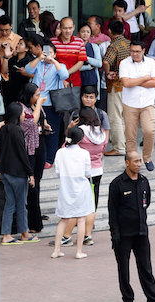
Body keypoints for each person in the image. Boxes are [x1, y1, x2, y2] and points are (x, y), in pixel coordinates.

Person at [109, 151, 155, 302]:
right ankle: (128, 300)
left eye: (140, 161)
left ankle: (153, 301)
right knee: (124, 269)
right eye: (136, 161)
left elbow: (147, 202)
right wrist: (115, 235)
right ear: (127, 163)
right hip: (123, 236)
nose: (139, 164)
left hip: (141, 234)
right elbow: (112, 211)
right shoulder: (117, 184)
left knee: (146, 268)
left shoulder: (144, 181)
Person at [63, 94, 109, 246]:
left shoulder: (80, 132)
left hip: (81, 173)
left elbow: (66, 148)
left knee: (76, 204)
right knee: (91, 204)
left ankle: (66, 237)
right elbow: (103, 149)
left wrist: (70, 129)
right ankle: (88, 236)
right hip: (97, 170)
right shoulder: (100, 132)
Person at [0, 102, 37, 246]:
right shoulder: (17, 130)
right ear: (17, 115)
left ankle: (6, 235)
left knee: (10, 204)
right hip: (17, 173)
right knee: (21, 204)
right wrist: (31, 174)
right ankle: (24, 233)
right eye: (22, 113)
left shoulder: (4, 129)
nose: (24, 115)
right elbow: (22, 154)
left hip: (5, 173)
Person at [24, 36, 69, 166]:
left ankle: (50, 159)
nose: (47, 55)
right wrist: (39, 58)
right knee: (36, 130)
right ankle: (37, 157)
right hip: (36, 102)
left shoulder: (59, 66)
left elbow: (65, 75)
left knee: (52, 131)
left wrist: (53, 61)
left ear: (54, 54)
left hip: (51, 103)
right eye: (46, 52)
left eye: (50, 52)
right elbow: (28, 69)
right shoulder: (38, 63)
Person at [51, 126, 93, 259]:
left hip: (65, 188)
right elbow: (87, 173)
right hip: (81, 188)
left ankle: (56, 249)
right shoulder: (84, 153)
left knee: (63, 219)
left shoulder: (60, 152)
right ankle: (78, 251)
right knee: (81, 219)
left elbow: (57, 171)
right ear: (81, 139)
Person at [119, 40, 155, 171]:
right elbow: (126, 83)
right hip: (130, 103)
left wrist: (134, 81)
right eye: (132, 51)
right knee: (130, 135)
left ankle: (147, 158)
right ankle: (132, 160)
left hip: (147, 103)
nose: (134, 54)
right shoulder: (124, 63)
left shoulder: (151, 63)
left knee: (149, 131)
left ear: (143, 51)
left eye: (137, 51)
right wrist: (144, 78)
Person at [18, 83, 49, 233]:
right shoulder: (21, 108)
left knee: (37, 181)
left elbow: (42, 120)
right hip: (29, 149)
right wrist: (38, 106)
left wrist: (46, 126)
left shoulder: (37, 106)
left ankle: (36, 214)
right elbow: (31, 122)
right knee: (31, 185)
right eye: (36, 94)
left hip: (40, 146)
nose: (39, 97)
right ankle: (33, 222)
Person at [103, 20, 131, 157]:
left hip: (116, 84)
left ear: (109, 31)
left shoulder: (113, 45)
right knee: (125, 116)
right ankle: (126, 145)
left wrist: (108, 73)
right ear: (124, 31)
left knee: (115, 117)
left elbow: (106, 61)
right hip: (129, 85)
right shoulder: (129, 44)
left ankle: (119, 148)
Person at [52, 17, 87, 88]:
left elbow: (80, 62)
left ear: (74, 27)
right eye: (65, 28)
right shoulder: (52, 42)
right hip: (56, 81)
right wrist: (62, 77)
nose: (68, 31)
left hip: (74, 82)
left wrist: (65, 74)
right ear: (60, 28)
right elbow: (48, 62)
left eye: (70, 28)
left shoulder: (79, 42)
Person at [1, 37, 33, 106]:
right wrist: (6, 56)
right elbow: (4, 71)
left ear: (26, 49)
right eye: (18, 43)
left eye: (20, 44)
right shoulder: (12, 59)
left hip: (22, 93)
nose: (17, 45)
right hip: (9, 92)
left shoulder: (29, 61)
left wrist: (25, 73)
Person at [78, 23, 103, 95]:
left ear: (90, 34)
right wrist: (87, 67)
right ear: (78, 33)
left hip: (91, 79)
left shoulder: (94, 46)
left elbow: (99, 63)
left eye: (88, 32)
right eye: (83, 31)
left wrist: (86, 58)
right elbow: (73, 67)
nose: (85, 34)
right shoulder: (76, 46)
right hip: (78, 79)